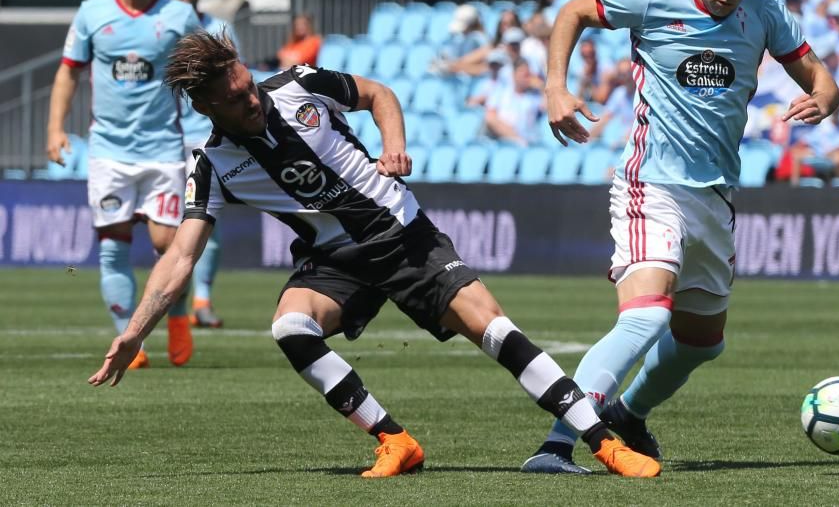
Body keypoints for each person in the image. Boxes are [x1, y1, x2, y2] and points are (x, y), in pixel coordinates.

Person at [87, 30, 659, 479]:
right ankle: (395, 440)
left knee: (494, 330)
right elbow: (179, 257)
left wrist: (395, 147)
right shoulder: (212, 165)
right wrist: (137, 331)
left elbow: (377, 94)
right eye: (235, 100)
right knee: (290, 326)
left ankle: (603, 443)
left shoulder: (298, 85)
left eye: (248, 84)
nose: (251, 99)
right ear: (207, 106)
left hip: (402, 234)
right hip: (337, 260)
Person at [522, 0, 839, 474]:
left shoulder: (761, 7)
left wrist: (826, 97)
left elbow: (820, 77)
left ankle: (628, 412)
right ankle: (557, 444)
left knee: (701, 341)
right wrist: (555, 86)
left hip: (714, 197)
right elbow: (572, 11)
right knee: (645, 319)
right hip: (651, 184)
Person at [46, 0, 200, 369]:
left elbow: (203, 73)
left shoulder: (178, 16)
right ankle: (129, 343)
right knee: (113, 245)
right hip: (109, 152)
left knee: (169, 246)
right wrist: (55, 130)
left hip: (163, 149)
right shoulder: (92, 13)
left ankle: (179, 314)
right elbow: (68, 71)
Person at [169, 0, 241, 328]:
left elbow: (236, 80)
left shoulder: (218, 30)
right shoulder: (161, 30)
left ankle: (202, 300)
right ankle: (174, 299)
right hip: (166, 143)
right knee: (167, 229)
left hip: (208, 140)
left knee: (206, 221)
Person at [484, 58, 546, 146]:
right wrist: (516, 138)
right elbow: (490, 118)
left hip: (529, 143)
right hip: (502, 143)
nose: (527, 78)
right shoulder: (501, 92)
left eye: (528, 75)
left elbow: (547, 108)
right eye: (523, 74)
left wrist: (541, 87)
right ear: (514, 74)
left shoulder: (533, 97)